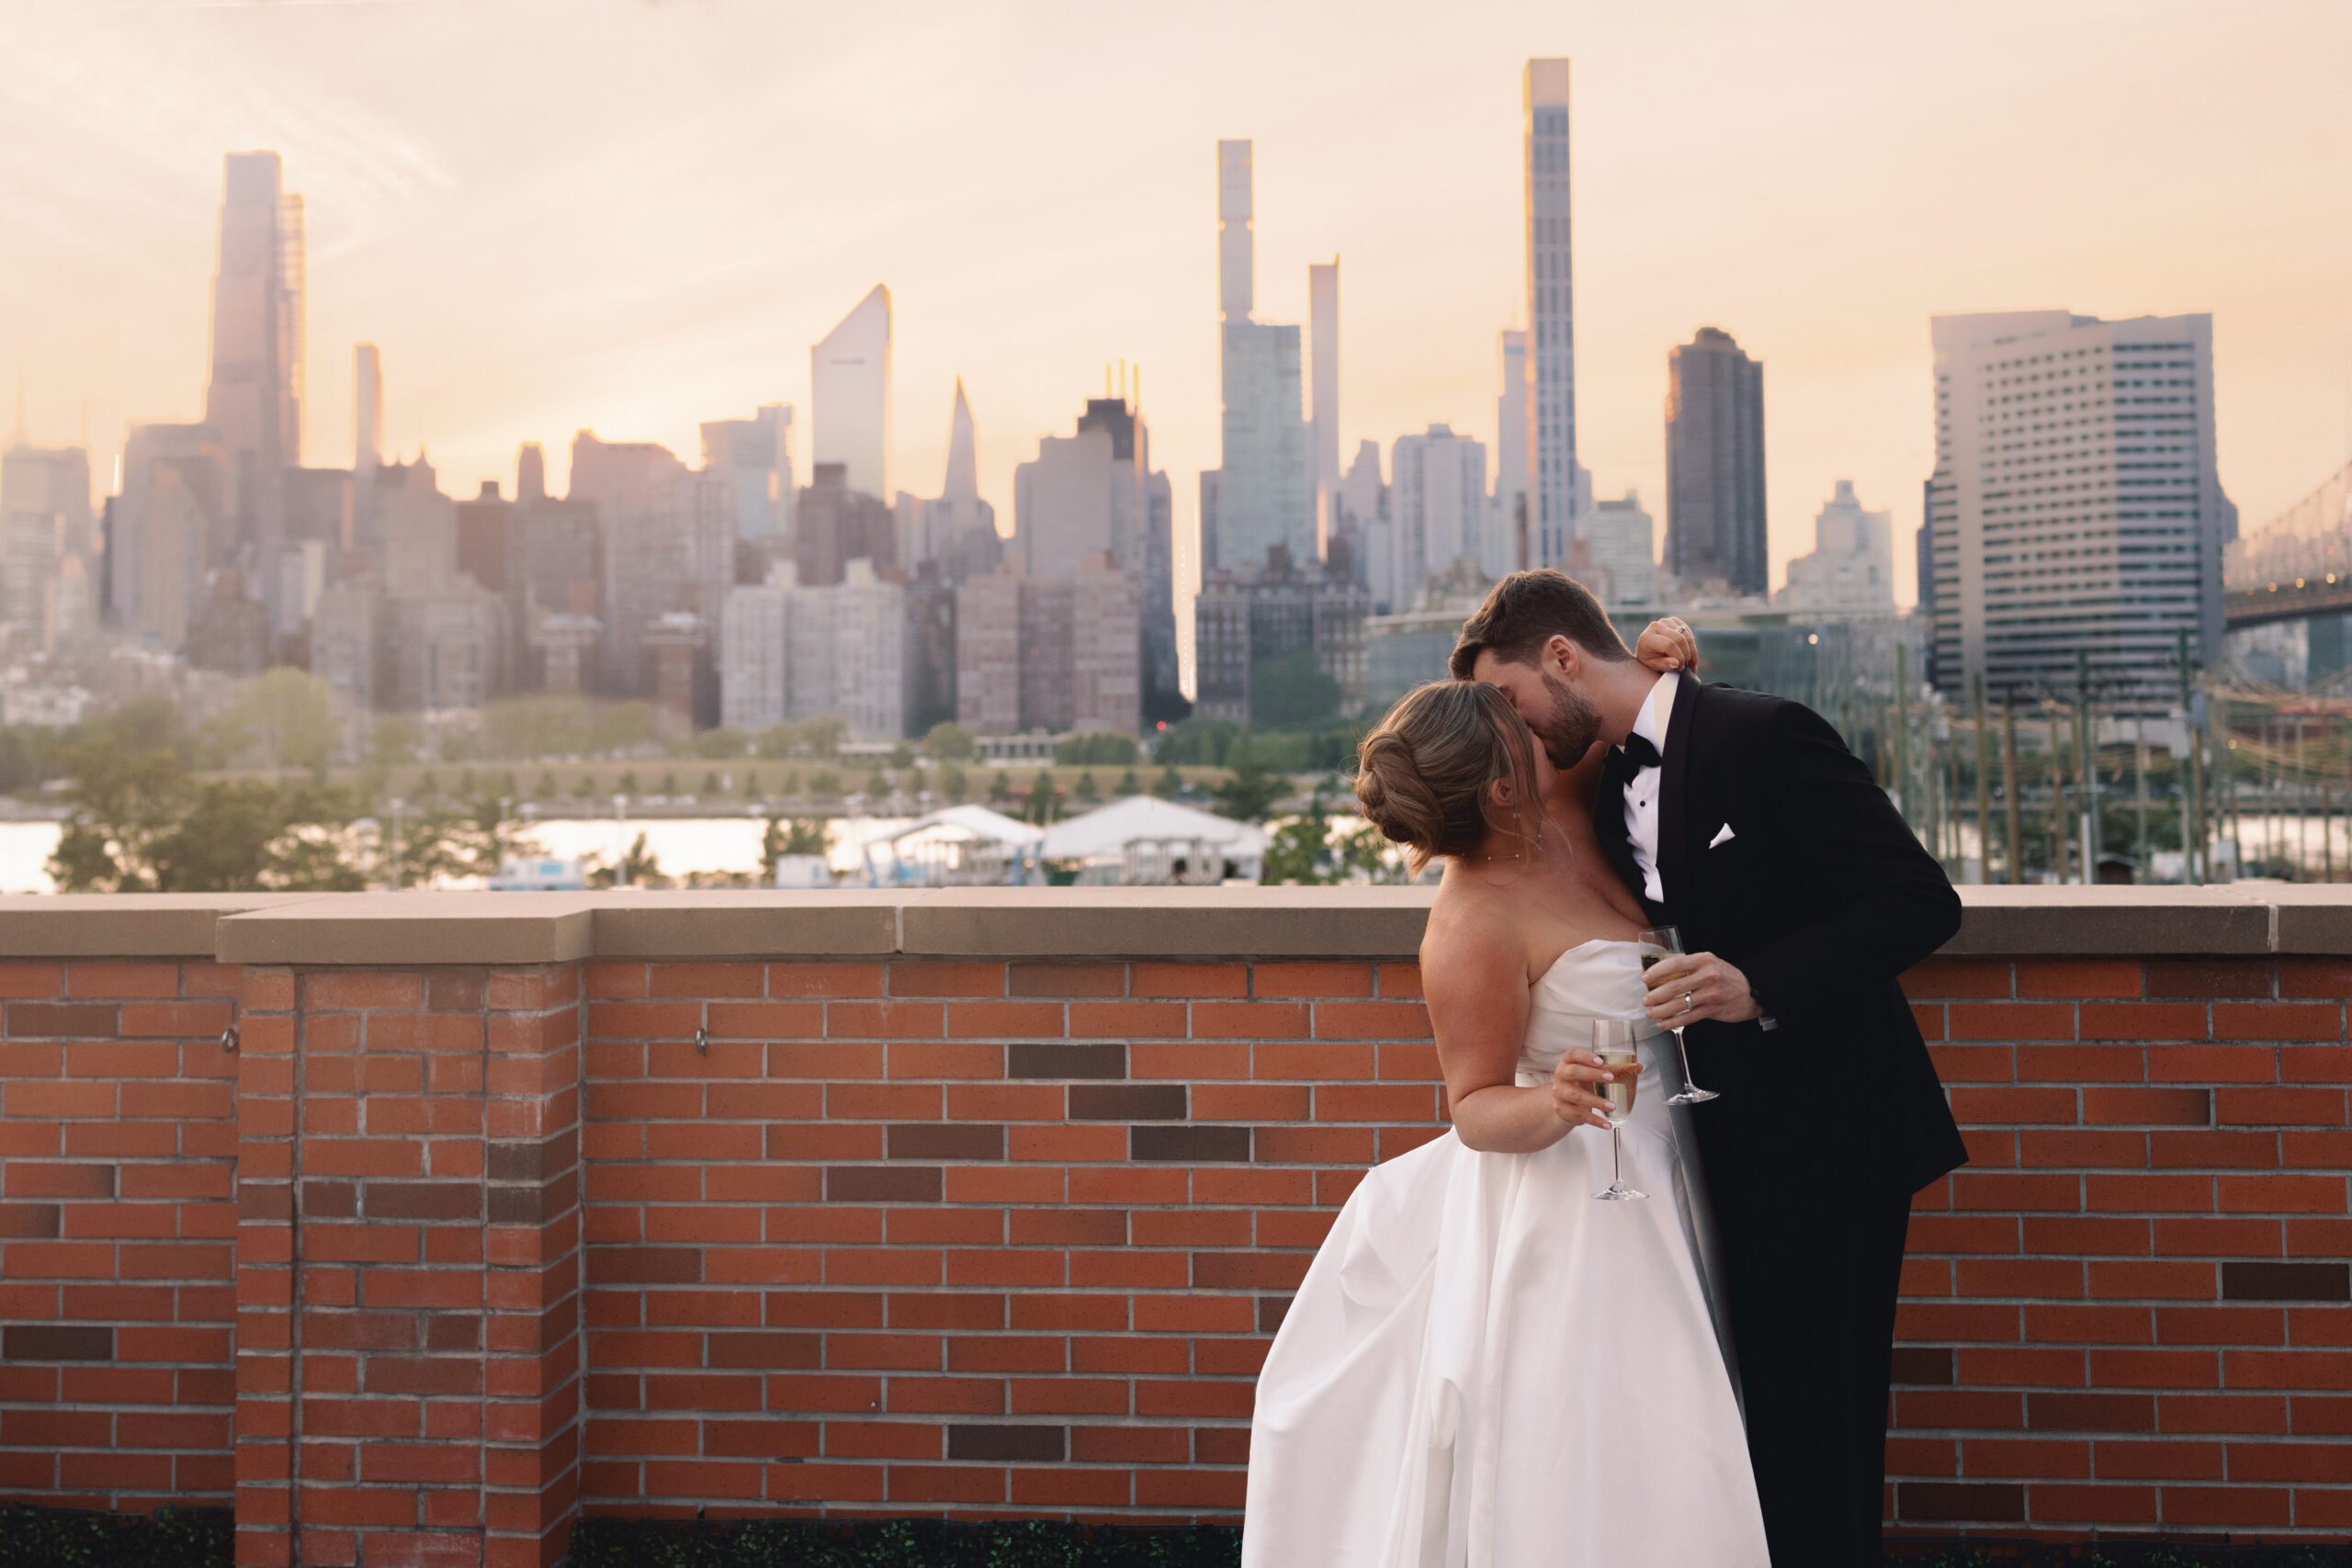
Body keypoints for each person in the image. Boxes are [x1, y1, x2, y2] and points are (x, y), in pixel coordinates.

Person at [1453, 570, 1966, 1568]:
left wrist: (1757, 984)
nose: (1509, 726)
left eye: (1509, 698)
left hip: (1834, 1135)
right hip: (1708, 1148)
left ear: (1560, 656)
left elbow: (1918, 901)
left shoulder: (1764, 735)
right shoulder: (1597, 783)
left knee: (1826, 1421)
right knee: (1751, 1417)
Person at [1242, 665, 1770, 1565]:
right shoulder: (1469, 924)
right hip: (1575, 1200)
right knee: (1608, 1431)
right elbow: (1476, 1108)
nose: (1539, 727)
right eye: (1517, 727)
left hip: (1671, 1154)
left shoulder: (1565, 818)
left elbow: (1626, 721)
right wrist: (1554, 1103)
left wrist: (1660, 656)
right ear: (1497, 788)